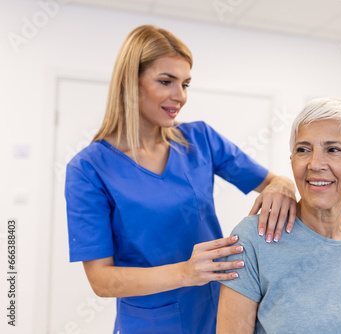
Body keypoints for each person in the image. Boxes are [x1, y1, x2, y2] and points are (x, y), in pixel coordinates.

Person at [65, 25, 297, 334]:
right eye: (166, 81)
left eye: (185, 83)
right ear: (130, 83)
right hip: (151, 323)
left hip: (222, 312)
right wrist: (186, 272)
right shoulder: (89, 168)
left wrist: (283, 185)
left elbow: (272, 181)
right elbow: (101, 280)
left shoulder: (199, 139)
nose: (181, 96)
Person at [217, 97, 341, 334]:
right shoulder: (253, 236)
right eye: (303, 150)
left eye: (333, 149)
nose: (315, 163)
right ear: (292, 160)